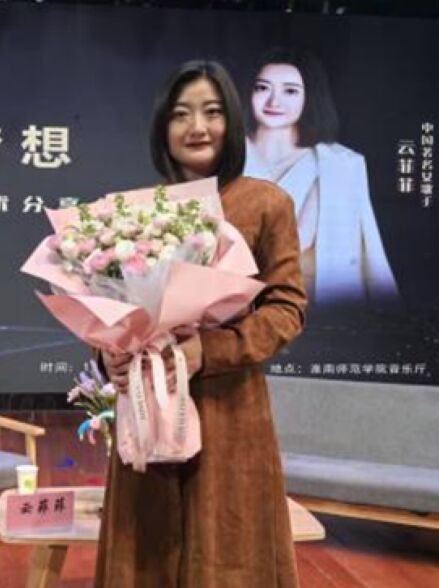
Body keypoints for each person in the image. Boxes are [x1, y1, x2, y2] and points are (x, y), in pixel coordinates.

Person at [94, 60, 306, 588]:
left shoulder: (266, 203)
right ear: (162, 128)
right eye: (181, 114)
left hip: (230, 414)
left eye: (212, 112)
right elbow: (112, 308)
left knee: (228, 553)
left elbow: (286, 309)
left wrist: (205, 352)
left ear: (231, 121)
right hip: (148, 411)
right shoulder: (137, 213)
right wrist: (109, 355)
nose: (197, 127)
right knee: (146, 554)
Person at [244, 48, 398, 305]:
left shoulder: (342, 164)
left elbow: (370, 253)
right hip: (234, 312)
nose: (274, 102)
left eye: (290, 91)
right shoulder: (220, 156)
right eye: (262, 88)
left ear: (310, 97)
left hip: (319, 313)